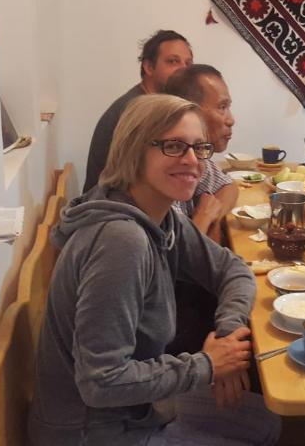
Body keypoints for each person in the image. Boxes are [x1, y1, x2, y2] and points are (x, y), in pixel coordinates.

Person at [31, 94, 280, 446]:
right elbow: (100, 383)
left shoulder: (161, 216)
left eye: (199, 147)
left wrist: (227, 334)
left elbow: (233, 269)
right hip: (95, 431)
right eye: (174, 146)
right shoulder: (121, 242)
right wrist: (208, 365)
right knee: (262, 429)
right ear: (134, 150)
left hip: (137, 411)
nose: (193, 161)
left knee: (266, 422)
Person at [83, 30, 193, 192]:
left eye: (188, 64)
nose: (184, 70)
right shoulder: (138, 112)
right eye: (172, 61)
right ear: (148, 67)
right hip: (114, 210)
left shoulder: (157, 106)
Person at [164, 64, 239, 238]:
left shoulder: (195, 157)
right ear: (190, 110)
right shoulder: (168, 168)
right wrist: (203, 218)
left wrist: (214, 217)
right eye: (222, 107)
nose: (231, 120)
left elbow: (228, 186)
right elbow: (177, 259)